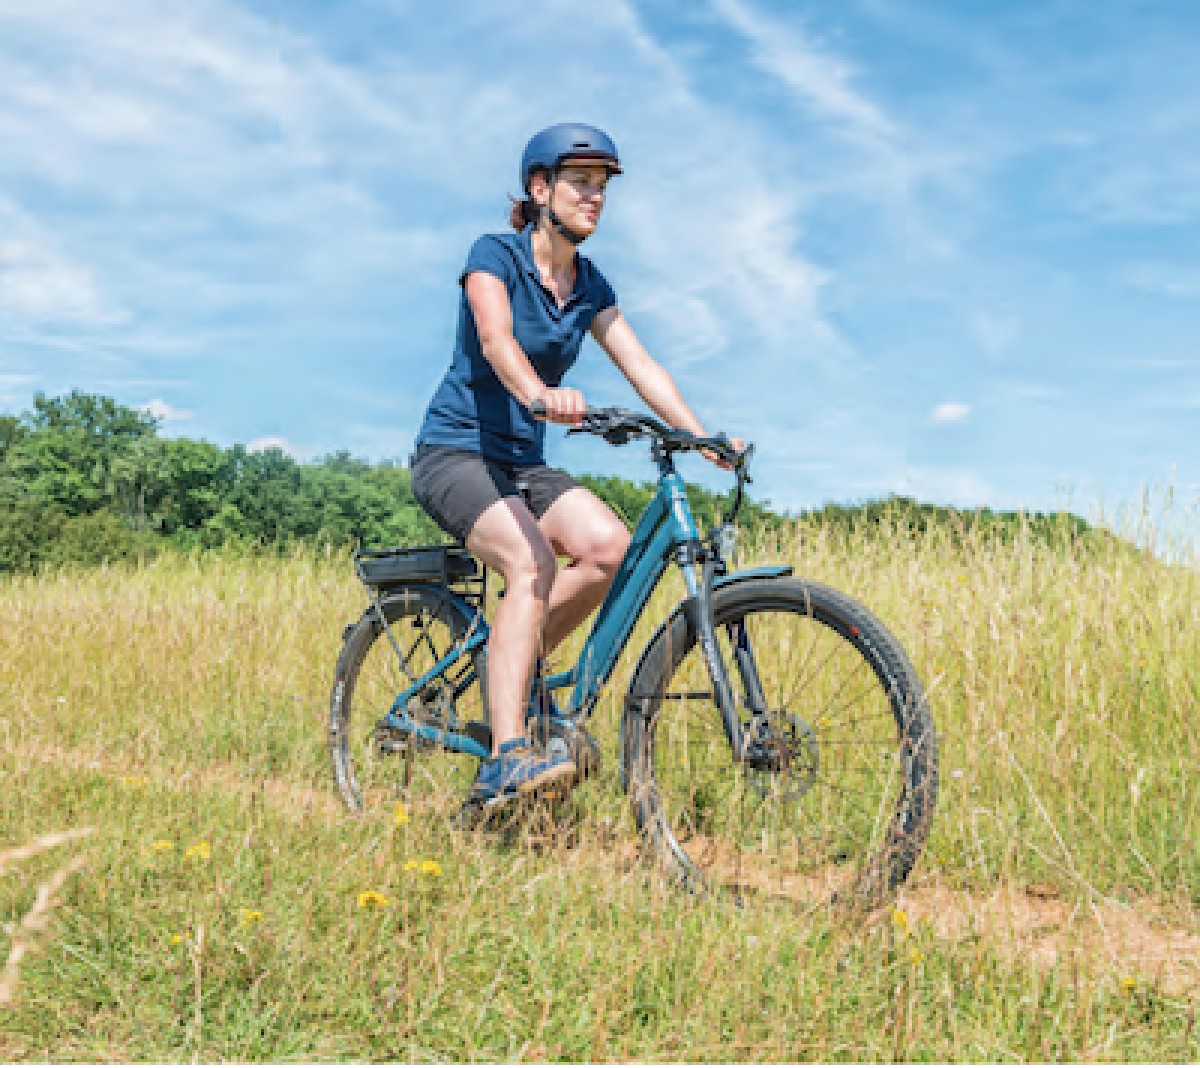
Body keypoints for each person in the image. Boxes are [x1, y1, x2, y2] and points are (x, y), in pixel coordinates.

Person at [410, 122, 740, 810]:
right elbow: (497, 339)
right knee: (532, 563)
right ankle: (505, 759)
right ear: (540, 189)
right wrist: (536, 393)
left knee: (610, 548)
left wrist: (701, 435)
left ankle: (514, 658)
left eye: (603, 187)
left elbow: (639, 361)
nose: (597, 198)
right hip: (456, 454)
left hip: (522, 464)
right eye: (581, 183)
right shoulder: (493, 255)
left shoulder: (589, 284)